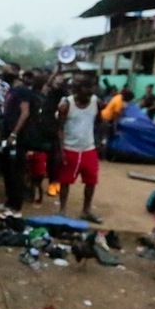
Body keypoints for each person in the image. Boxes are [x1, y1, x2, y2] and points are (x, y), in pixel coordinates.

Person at [57, 78, 102, 223]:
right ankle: (62, 210)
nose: (88, 96)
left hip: (89, 148)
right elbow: (60, 128)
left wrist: (99, 140)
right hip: (70, 148)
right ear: (77, 90)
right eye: (85, 92)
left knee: (91, 181)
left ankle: (86, 210)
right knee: (65, 181)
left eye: (90, 93)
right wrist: (61, 149)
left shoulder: (96, 102)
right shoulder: (66, 105)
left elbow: (100, 121)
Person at [0, 70, 35, 218]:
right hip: (8, 134)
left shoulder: (23, 91)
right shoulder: (12, 90)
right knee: (7, 168)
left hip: (17, 137)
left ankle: (16, 207)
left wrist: (14, 133)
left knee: (16, 171)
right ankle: (9, 201)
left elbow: (25, 113)